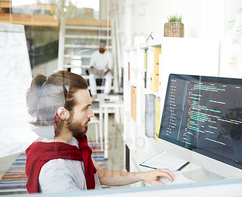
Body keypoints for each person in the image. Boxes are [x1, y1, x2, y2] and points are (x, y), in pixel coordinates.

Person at [25, 71, 173, 194]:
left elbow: (100, 175)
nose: (91, 114)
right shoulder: (55, 171)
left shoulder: (70, 139)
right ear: (63, 113)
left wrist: (144, 175)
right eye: (85, 108)